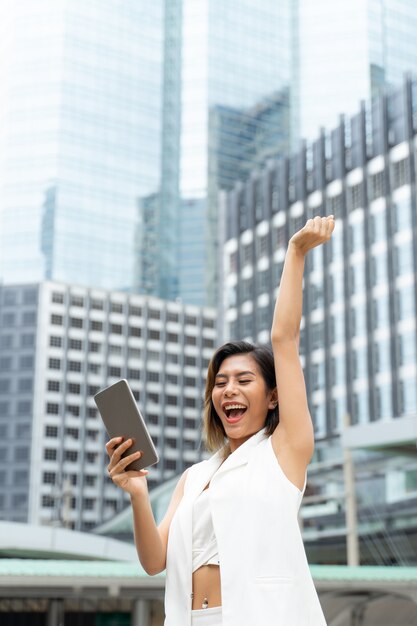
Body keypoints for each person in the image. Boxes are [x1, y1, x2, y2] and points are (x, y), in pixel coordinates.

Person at [106, 215, 335, 626]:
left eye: (244, 380)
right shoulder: (193, 478)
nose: (228, 389)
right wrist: (137, 492)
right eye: (220, 382)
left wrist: (296, 253)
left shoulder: (285, 452)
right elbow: (154, 561)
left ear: (273, 397)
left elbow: (284, 339)